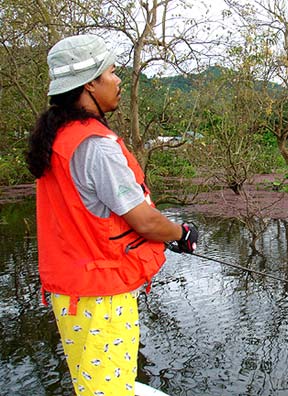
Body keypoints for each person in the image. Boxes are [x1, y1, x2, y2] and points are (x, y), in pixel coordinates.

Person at [26, 34, 198, 395]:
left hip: (73, 293)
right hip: (100, 295)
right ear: (89, 83)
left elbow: (91, 217)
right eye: (111, 72)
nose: (118, 81)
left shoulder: (59, 136)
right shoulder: (96, 146)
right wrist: (180, 234)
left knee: (93, 382)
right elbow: (145, 220)